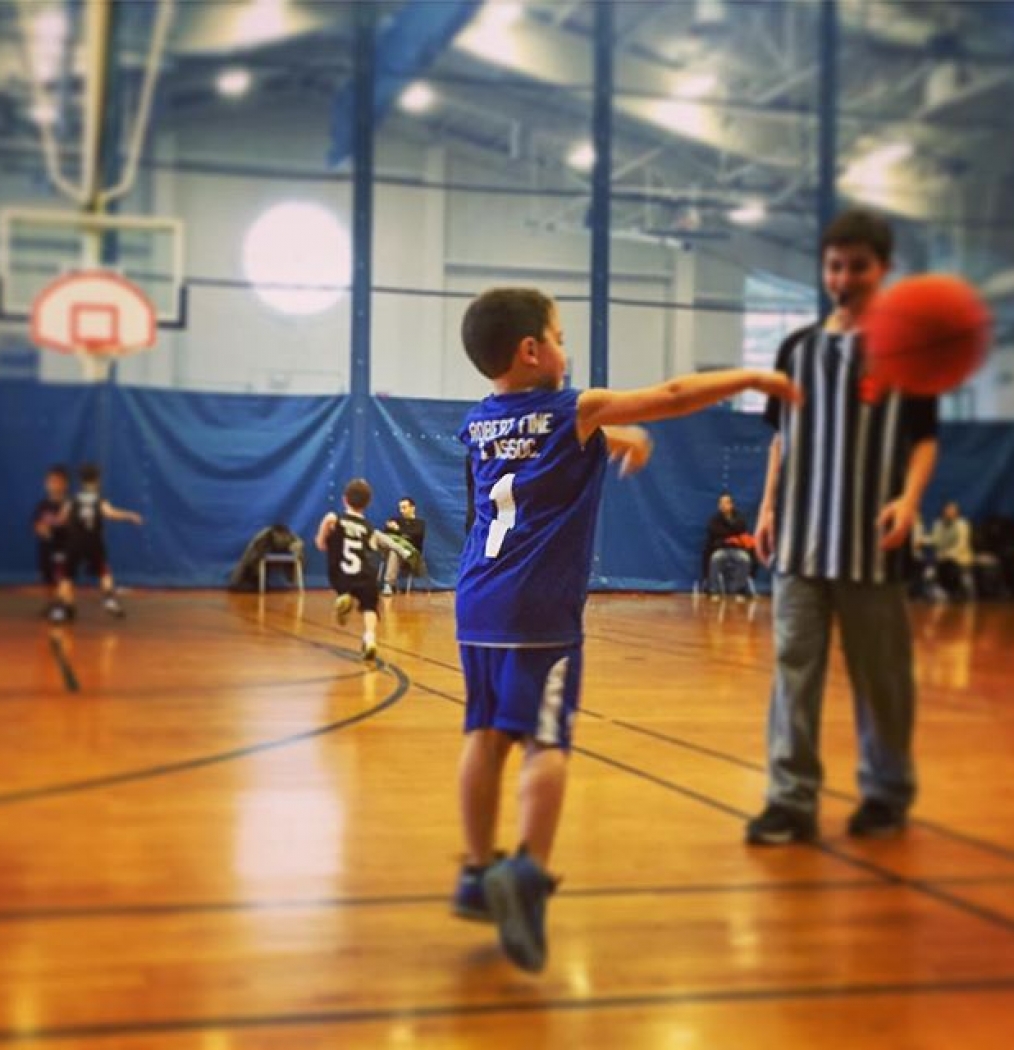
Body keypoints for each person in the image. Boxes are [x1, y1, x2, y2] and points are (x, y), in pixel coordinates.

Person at [453, 287, 799, 972]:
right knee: (546, 740)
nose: (565, 346)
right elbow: (672, 393)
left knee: (484, 735)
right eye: (559, 334)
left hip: (476, 602)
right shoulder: (571, 408)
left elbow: (524, 467)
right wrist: (757, 377)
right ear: (532, 350)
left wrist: (615, 438)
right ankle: (527, 872)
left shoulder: (476, 423)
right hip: (539, 609)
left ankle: (474, 871)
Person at [747, 209, 939, 846]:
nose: (844, 276)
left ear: (882, 270)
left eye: (857, 265)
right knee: (792, 673)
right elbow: (782, 437)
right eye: (835, 265)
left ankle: (885, 793)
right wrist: (768, 508)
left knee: (881, 677)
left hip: (871, 545)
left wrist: (909, 501)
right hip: (801, 541)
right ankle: (790, 800)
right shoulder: (795, 350)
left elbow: (924, 440)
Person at [316, 479, 399, 662]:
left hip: (341, 574)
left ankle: (344, 595)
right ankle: (369, 637)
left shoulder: (335, 520)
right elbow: (372, 548)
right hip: (366, 576)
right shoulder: (369, 528)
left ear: (344, 499)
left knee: (337, 558)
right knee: (370, 606)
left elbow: (320, 544)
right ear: (367, 504)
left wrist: (326, 526)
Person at [51, 463, 144, 622]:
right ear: (97, 480)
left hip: (74, 543)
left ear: (81, 481)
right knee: (104, 572)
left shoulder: (73, 499)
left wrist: (56, 521)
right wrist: (130, 515)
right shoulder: (100, 499)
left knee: (66, 576)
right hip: (94, 542)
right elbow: (110, 514)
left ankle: (59, 609)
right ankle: (109, 599)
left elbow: (61, 518)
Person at [33, 464, 71, 613]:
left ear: (65, 484)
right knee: (48, 578)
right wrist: (42, 530)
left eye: (57, 481)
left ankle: (66, 604)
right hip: (46, 549)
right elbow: (37, 524)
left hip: (63, 548)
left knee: (63, 578)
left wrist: (60, 524)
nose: (53, 485)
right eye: (50, 481)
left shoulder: (69, 505)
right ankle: (51, 604)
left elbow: (71, 525)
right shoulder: (42, 506)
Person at [703, 492, 755, 600]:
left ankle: (738, 590)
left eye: (726, 503)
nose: (723, 505)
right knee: (715, 558)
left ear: (731, 505)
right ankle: (714, 590)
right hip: (721, 549)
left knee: (745, 559)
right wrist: (731, 538)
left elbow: (741, 531)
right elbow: (716, 533)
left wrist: (730, 537)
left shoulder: (740, 518)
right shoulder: (714, 520)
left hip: (737, 550)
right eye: (721, 503)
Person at [381, 497, 426, 596]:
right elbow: (386, 535)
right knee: (378, 535)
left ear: (412, 508)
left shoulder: (420, 524)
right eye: (400, 508)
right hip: (388, 550)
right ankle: (398, 549)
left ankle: (388, 584)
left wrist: (398, 529)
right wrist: (389, 527)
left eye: (404, 507)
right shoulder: (395, 520)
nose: (401, 511)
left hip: (410, 555)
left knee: (394, 552)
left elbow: (415, 536)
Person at [930, 501, 974, 599]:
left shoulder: (963, 524)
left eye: (953, 510)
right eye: (948, 510)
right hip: (942, 558)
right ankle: (942, 592)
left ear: (957, 512)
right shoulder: (938, 524)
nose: (950, 512)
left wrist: (949, 554)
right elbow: (936, 540)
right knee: (934, 569)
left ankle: (962, 592)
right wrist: (922, 540)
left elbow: (962, 544)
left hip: (959, 558)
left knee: (952, 566)